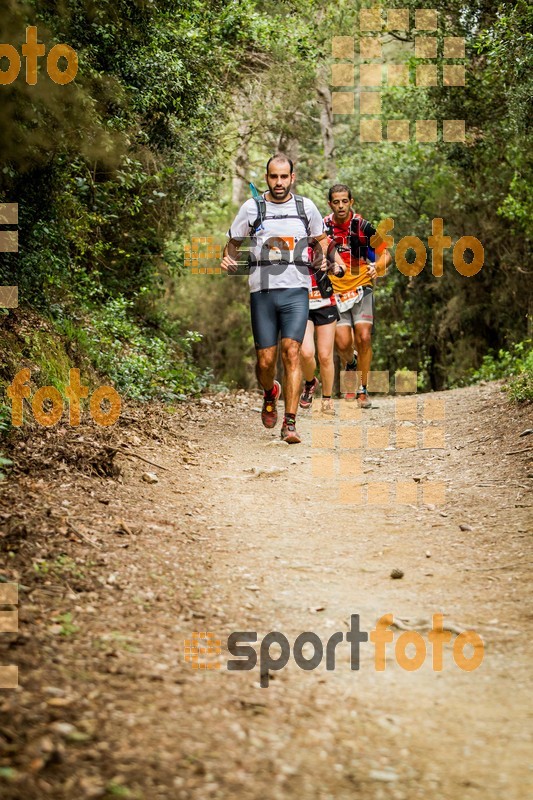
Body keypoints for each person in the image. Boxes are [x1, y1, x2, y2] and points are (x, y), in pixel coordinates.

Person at [221, 153, 345, 443]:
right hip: (262, 292)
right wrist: (227, 259)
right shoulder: (252, 207)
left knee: (293, 353)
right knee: (265, 362)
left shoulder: (306, 207)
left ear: (293, 177)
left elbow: (323, 241)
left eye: (284, 177)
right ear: (267, 178)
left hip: (296, 292)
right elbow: (233, 243)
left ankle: (289, 423)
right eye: (273, 177)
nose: (279, 182)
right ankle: (269, 391)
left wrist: (335, 262)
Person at [324, 184, 391, 407]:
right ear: (330, 204)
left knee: (363, 337)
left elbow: (385, 254)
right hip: (335, 289)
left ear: (351, 202)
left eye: (345, 201)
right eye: (336, 202)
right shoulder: (323, 227)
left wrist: (377, 267)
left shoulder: (363, 226)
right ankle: (350, 363)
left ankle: (363, 389)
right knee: (343, 344)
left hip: (362, 284)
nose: (341, 206)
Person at [299, 259, 341, 416]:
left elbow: (341, 266)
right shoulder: (292, 239)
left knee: (325, 356)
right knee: (306, 352)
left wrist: (334, 267)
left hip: (325, 303)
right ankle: (310, 382)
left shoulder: (325, 242)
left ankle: (327, 399)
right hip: (301, 303)